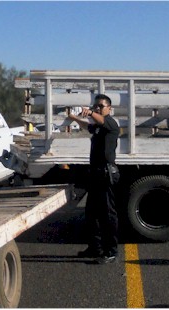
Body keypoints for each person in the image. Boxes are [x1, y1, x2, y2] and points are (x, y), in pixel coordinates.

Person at [68, 94, 120, 264]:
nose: (97, 108)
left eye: (101, 106)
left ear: (109, 109)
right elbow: (87, 126)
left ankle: (111, 252)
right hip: (96, 174)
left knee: (107, 215)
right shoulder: (98, 127)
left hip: (106, 174)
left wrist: (90, 112)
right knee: (92, 214)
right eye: (95, 106)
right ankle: (95, 248)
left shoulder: (111, 123)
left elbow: (97, 120)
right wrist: (74, 118)